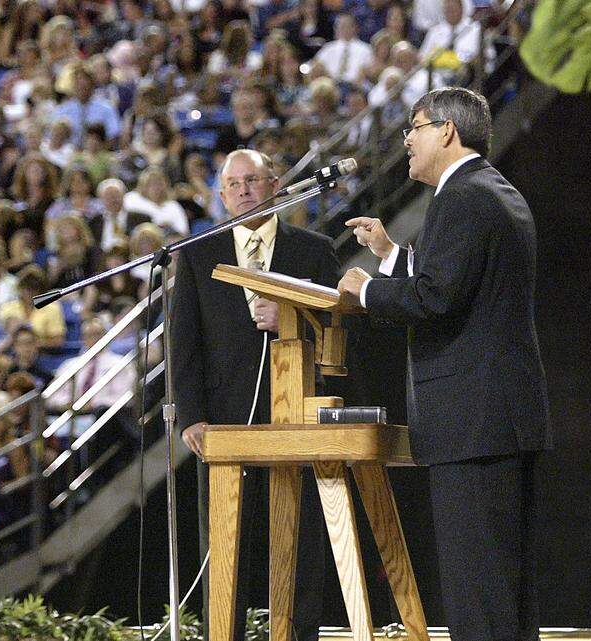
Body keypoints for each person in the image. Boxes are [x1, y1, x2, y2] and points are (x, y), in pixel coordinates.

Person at [336, 87, 552, 641]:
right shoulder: (491, 190)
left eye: (415, 127)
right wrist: (391, 256)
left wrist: (364, 292)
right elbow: (458, 275)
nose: (406, 139)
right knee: (504, 596)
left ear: (447, 131)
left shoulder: (462, 198)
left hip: (472, 426)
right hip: (497, 421)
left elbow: (436, 297)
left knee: (480, 599)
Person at [171, 148, 339, 641]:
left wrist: (293, 320)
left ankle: (299, 632)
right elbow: (185, 344)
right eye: (234, 184)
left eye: (253, 180)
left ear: (274, 186)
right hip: (225, 422)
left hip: (295, 414)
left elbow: (340, 331)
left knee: (299, 538)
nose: (243, 190)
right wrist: (191, 417)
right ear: (222, 196)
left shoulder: (314, 250)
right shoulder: (199, 254)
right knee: (227, 542)